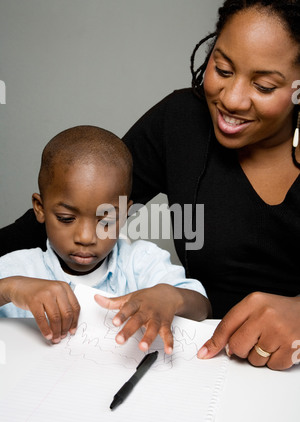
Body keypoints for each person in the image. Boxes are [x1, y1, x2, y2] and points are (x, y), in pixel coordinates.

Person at [1, 0, 300, 370]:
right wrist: (11, 285)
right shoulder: (182, 123)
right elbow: (80, 199)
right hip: (206, 360)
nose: (232, 99)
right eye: (221, 68)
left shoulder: (140, 263)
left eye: (264, 85)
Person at [0, 126, 210, 352]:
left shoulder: (141, 262)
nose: (86, 237)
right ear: (40, 208)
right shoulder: (17, 269)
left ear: (126, 213)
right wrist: (9, 288)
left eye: (106, 221)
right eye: (66, 218)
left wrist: (172, 296)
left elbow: (202, 308)